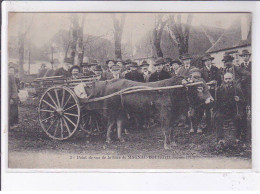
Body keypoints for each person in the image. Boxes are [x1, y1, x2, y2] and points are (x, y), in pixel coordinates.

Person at [214, 72, 247, 145]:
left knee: (238, 117)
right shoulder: (219, 89)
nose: (228, 80)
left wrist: (239, 100)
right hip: (223, 110)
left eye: (229, 78)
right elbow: (217, 103)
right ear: (223, 79)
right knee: (218, 117)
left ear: (232, 79)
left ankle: (237, 137)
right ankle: (220, 138)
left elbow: (244, 101)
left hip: (234, 110)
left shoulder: (237, 89)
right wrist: (216, 111)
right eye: (226, 79)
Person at [200, 54, 221, 131]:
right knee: (207, 108)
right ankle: (208, 125)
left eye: (209, 60)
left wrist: (215, 82)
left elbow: (219, 79)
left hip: (215, 90)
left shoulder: (215, 69)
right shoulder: (201, 70)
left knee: (215, 107)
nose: (207, 62)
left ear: (211, 61)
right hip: (206, 91)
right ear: (204, 62)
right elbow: (200, 81)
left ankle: (216, 124)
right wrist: (206, 86)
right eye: (206, 61)